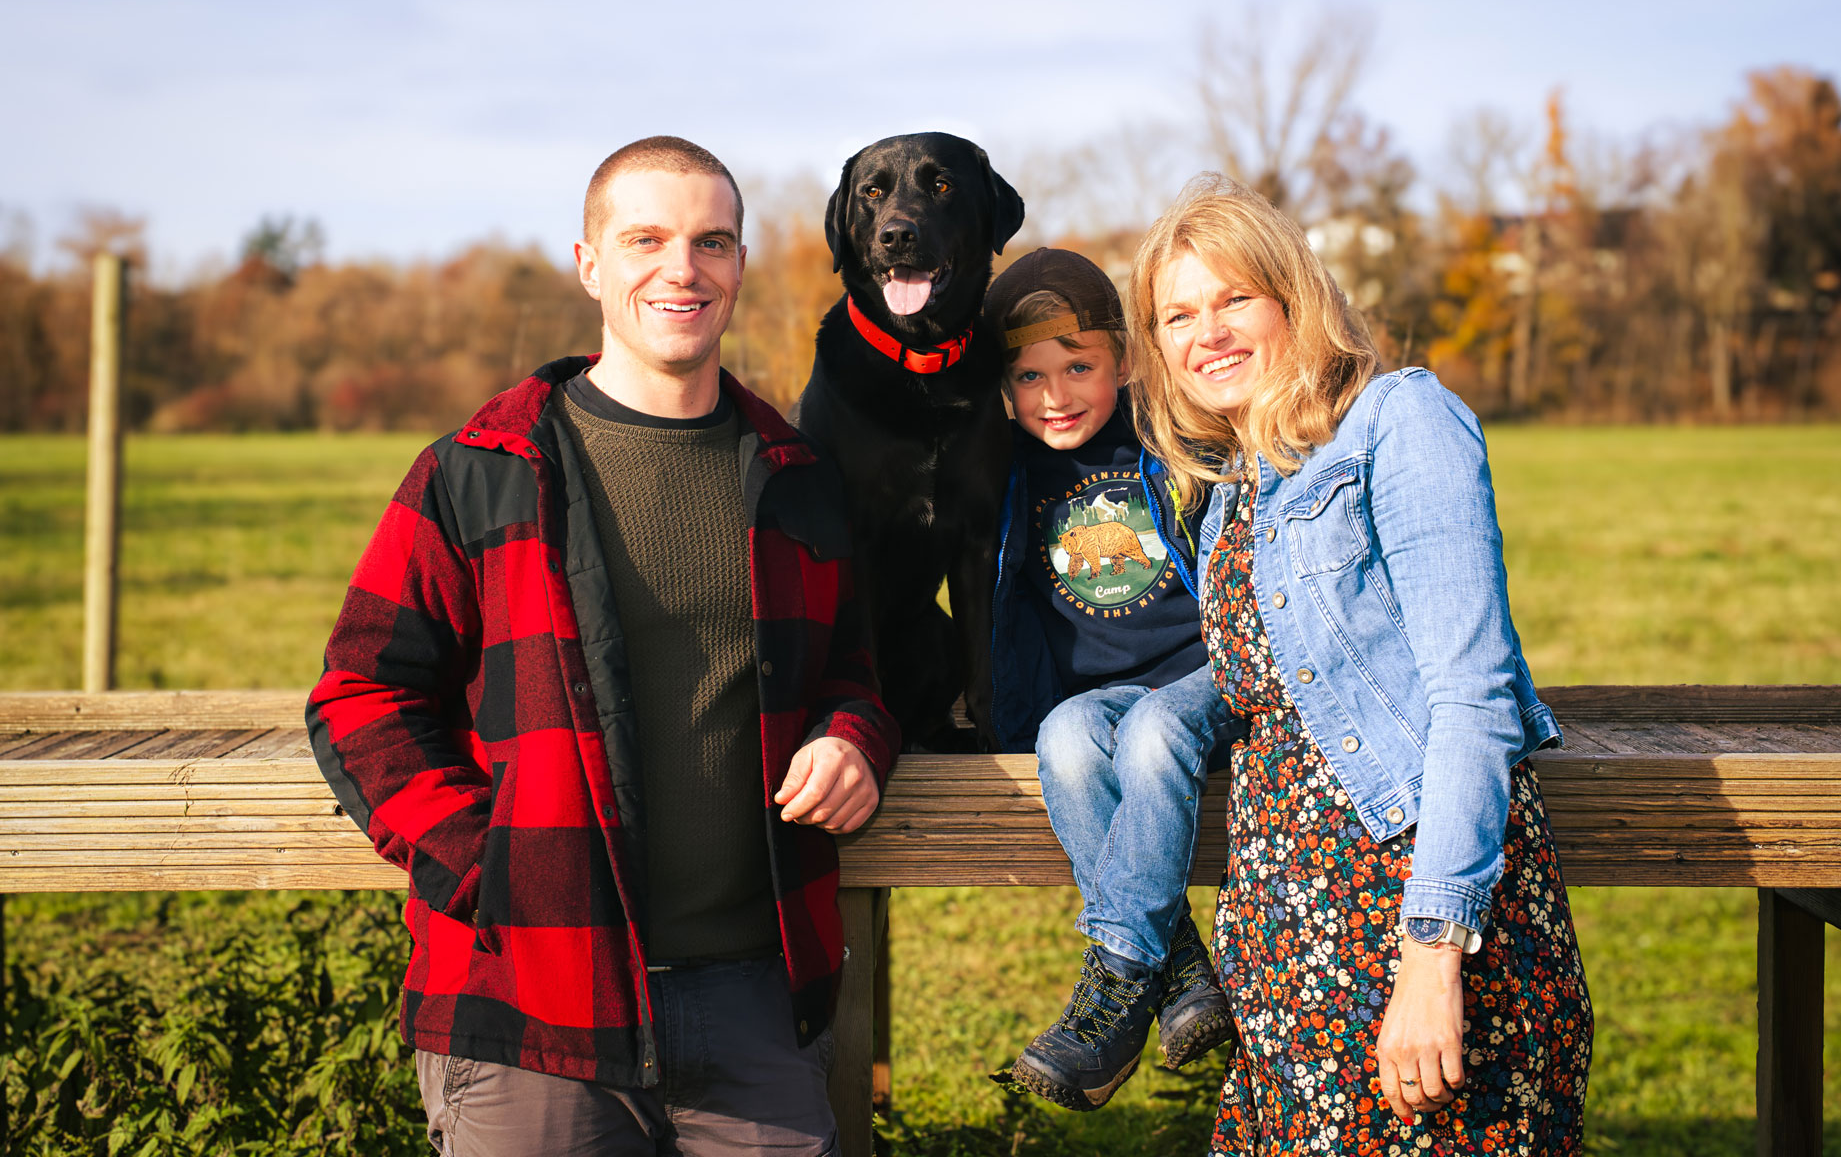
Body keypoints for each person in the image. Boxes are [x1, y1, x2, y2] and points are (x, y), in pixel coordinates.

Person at [307, 136, 898, 1157]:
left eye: (713, 240)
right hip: (533, 1000)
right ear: (589, 263)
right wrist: (484, 863)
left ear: (741, 264)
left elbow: (855, 671)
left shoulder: (797, 473)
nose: (684, 267)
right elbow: (363, 693)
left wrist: (853, 736)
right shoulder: (481, 471)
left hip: (753, 994)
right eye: (647, 239)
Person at [1124, 174, 1593, 1152]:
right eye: (1177, 314)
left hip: (1410, 917)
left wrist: (1432, 956)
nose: (1206, 330)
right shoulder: (1229, 489)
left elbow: (1476, 696)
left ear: (1293, 297)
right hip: (1281, 935)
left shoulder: (1398, 421)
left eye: (1232, 298)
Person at [982, 248, 1244, 1111]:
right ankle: (1181, 976)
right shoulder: (1012, 473)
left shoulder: (1172, 441)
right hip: (1097, 702)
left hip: (1207, 683)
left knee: (1155, 731)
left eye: (1078, 367)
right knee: (1065, 737)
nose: (1054, 396)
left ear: (1124, 361)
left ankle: (1118, 981)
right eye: (1028, 376)